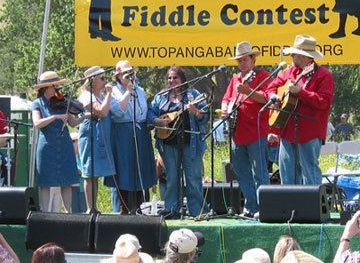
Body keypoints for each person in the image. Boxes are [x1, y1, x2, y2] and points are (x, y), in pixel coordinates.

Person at [266, 34, 334, 185]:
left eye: (294, 54)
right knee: (286, 172)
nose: (291, 56)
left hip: (310, 131)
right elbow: (272, 86)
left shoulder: (324, 75)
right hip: (287, 129)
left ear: (305, 57)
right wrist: (274, 97)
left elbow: (324, 102)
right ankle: (289, 206)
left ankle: (311, 206)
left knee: (309, 171)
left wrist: (301, 92)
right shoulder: (290, 72)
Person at [147, 66, 209, 218]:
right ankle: (171, 210)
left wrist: (195, 111)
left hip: (190, 143)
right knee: (172, 179)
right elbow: (150, 113)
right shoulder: (161, 97)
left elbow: (204, 117)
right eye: (169, 78)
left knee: (193, 178)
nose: (171, 80)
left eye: (175, 77)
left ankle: (197, 211)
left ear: (182, 79)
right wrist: (157, 121)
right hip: (168, 144)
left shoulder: (193, 95)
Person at [221, 41, 271, 217]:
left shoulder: (263, 75)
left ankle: (265, 207)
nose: (242, 63)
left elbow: (266, 98)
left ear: (253, 59)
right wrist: (225, 109)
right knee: (241, 171)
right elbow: (226, 98)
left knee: (260, 172)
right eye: (239, 61)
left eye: (244, 60)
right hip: (237, 132)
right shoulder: (235, 78)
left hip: (256, 131)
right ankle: (251, 206)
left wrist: (248, 90)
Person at [32, 71, 87, 213]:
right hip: (47, 145)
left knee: (67, 181)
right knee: (46, 182)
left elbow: (73, 122)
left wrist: (85, 116)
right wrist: (55, 117)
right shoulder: (37, 103)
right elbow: (37, 123)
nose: (58, 89)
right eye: (55, 86)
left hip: (64, 144)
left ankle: (68, 212)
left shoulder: (61, 101)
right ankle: (45, 213)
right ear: (47, 87)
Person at [107, 60, 156, 213]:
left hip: (140, 132)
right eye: (126, 73)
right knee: (125, 171)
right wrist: (128, 92)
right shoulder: (114, 91)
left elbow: (143, 111)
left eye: (131, 72)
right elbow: (118, 111)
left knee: (140, 169)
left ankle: (142, 206)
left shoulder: (140, 90)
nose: (130, 75)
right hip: (123, 133)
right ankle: (124, 208)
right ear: (118, 76)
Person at [78, 66, 115, 213]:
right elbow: (102, 112)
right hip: (90, 136)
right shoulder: (86, 96)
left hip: (101, 137)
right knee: (89, 173)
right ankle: (89, 208)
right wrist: (109, 94)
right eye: (102, 78)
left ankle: (95, 207)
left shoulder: (99, 96)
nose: (105, 81)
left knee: (96, 174)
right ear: (92, 80)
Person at [70, 132, 86, 213]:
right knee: (74, 208)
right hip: (72, 186)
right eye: (73, 141)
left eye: (76, 141)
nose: (76, 144)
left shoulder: (83, 156)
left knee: (83, 207)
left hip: (82, 187)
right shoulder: (69, 157)